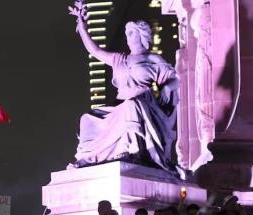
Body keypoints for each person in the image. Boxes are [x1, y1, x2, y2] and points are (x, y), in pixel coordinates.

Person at [67, 2, 180, 173]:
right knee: (87, 118)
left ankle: (132, 151)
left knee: (131, 106)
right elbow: (95, 50)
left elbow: (176, 79)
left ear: (141, 35)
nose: (128, 36)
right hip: (120, 106)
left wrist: (166, 88)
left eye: (131, 32)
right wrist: (82, 27)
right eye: (126, 33)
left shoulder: (152, 59)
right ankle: (87, 157)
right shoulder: (119, 59)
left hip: (144, 107)